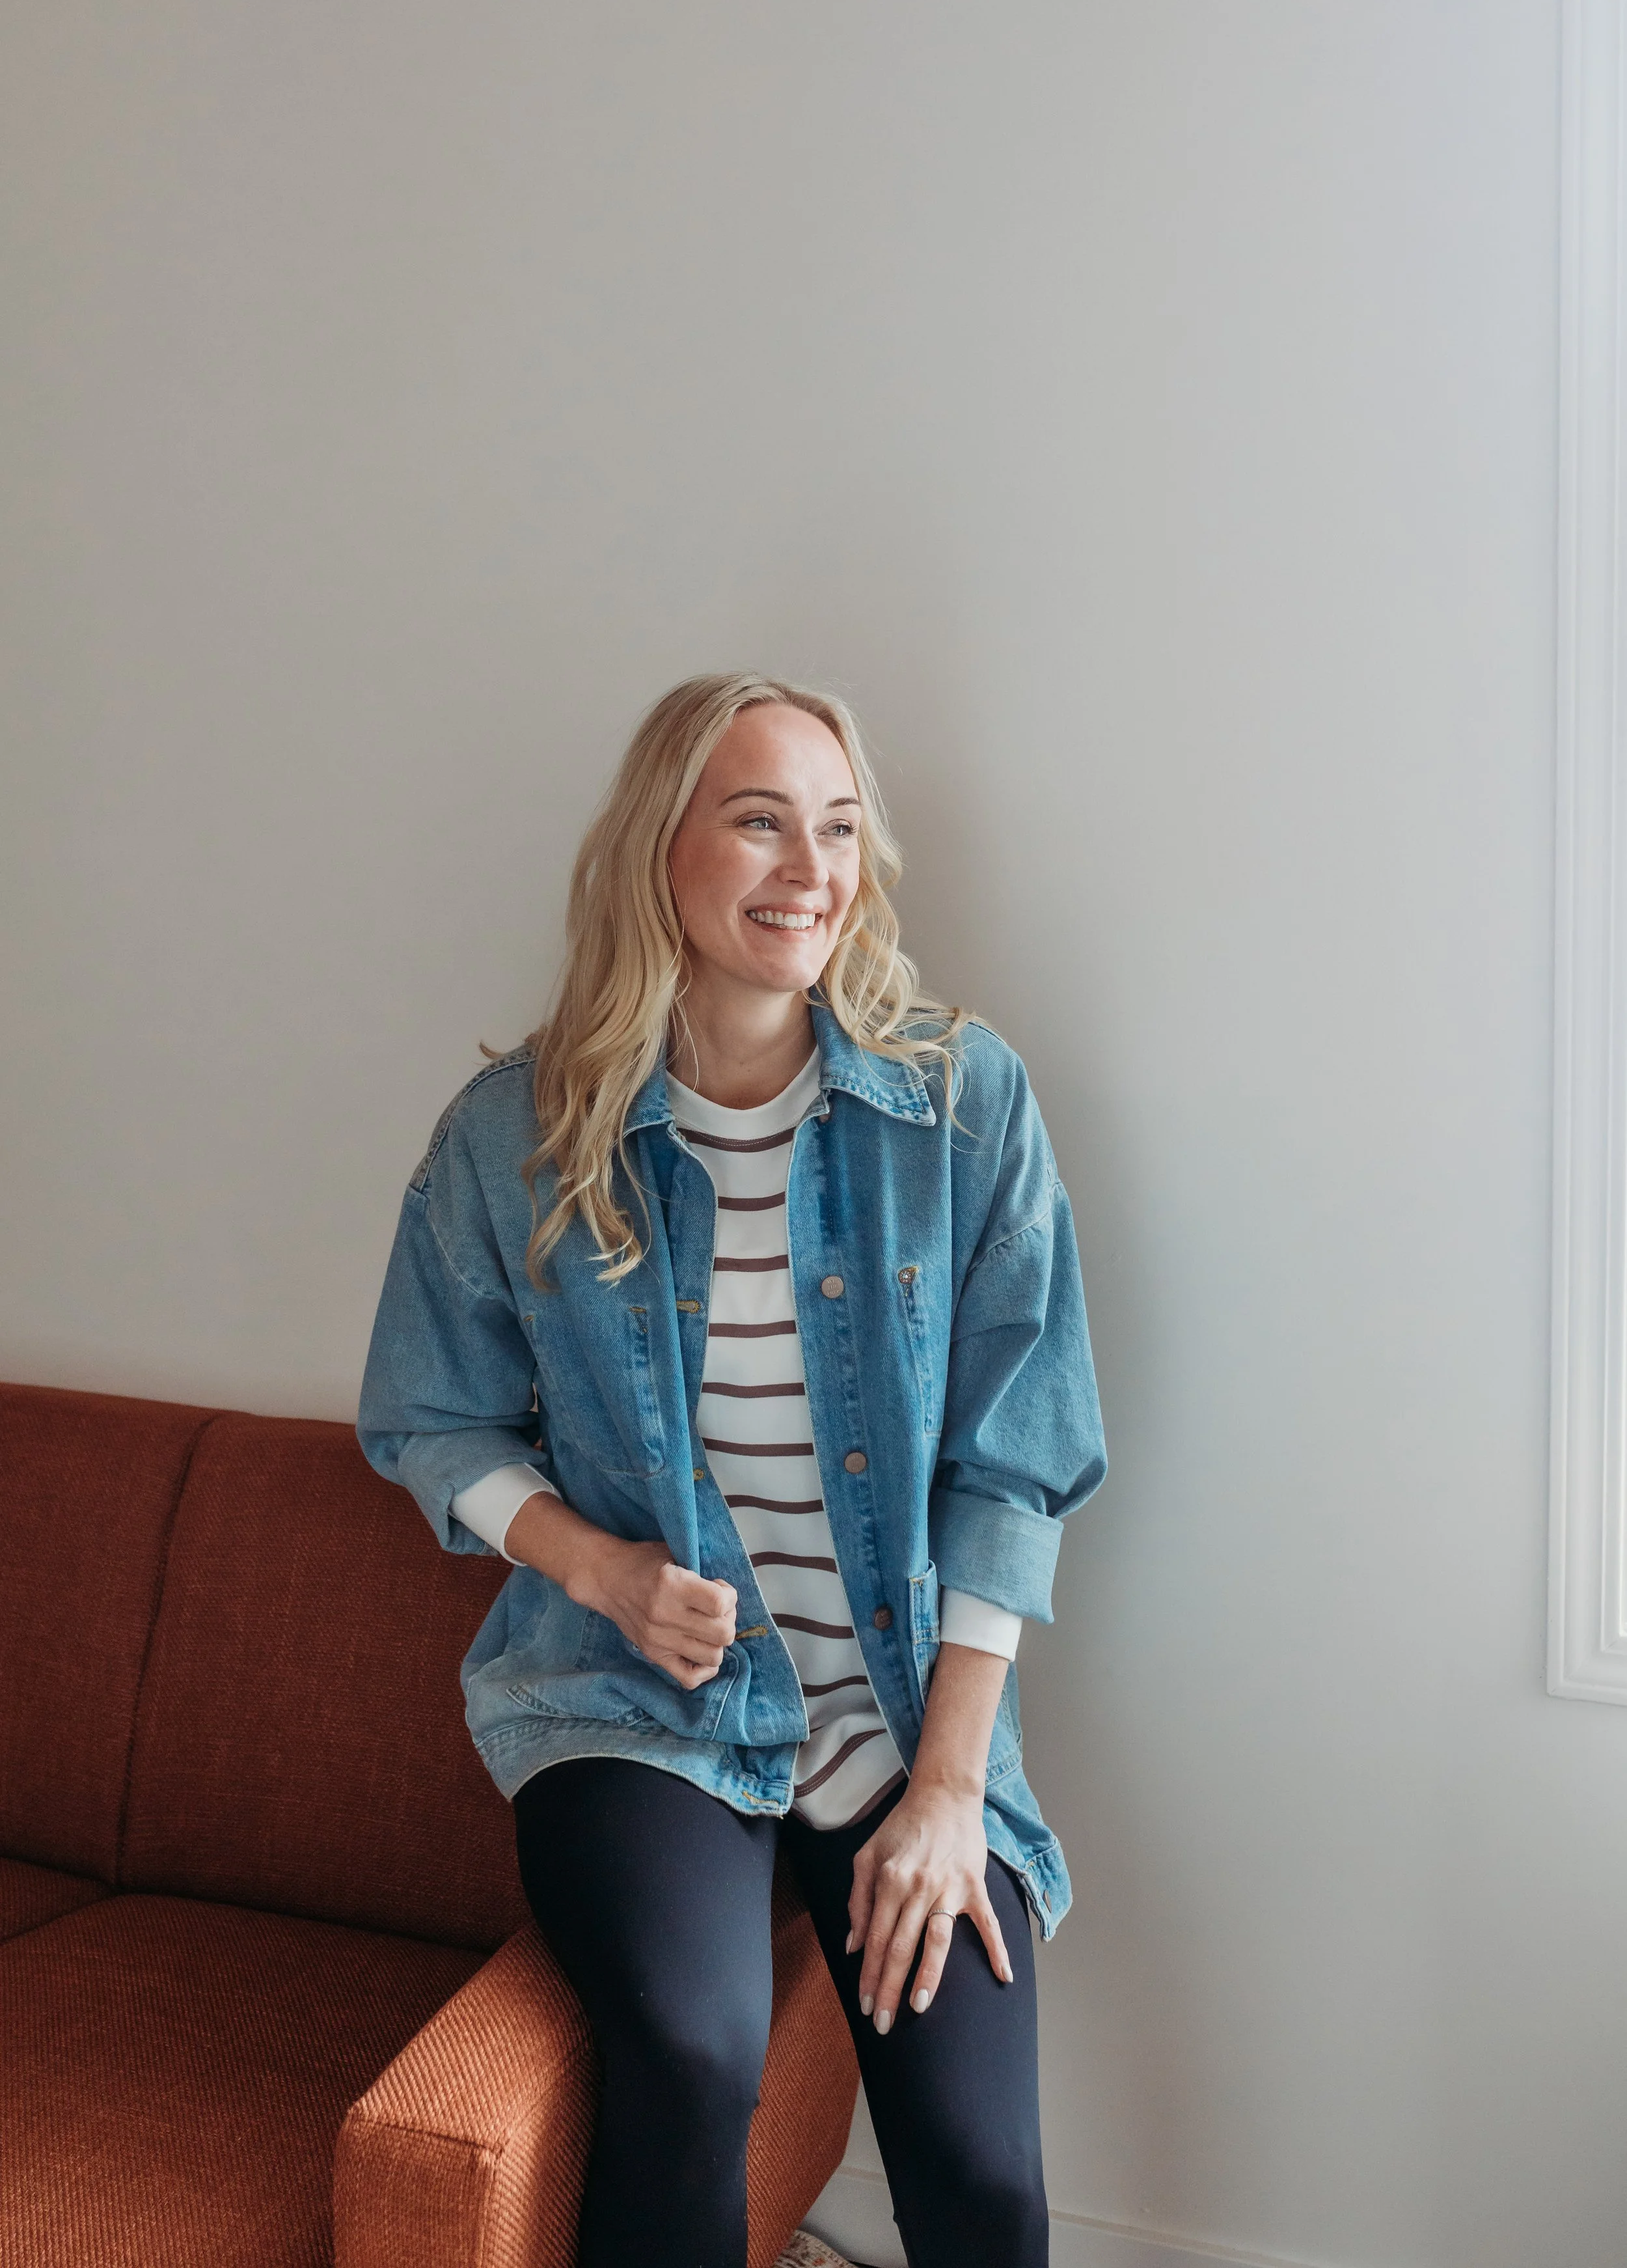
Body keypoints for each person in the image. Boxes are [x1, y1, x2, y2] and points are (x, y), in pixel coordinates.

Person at [358, 671, 1106, 2268]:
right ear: (660, 846)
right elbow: (428, 1415)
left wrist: (949, 1792)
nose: (808, 868)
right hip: (637, 1710)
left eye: (835, 827)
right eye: (757, 818)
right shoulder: (521, 1133)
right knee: (694, 2053)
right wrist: (597, 1567)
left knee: (978, 2174)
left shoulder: (963, 1108)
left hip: (905, 1711)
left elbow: (1012, 1466)